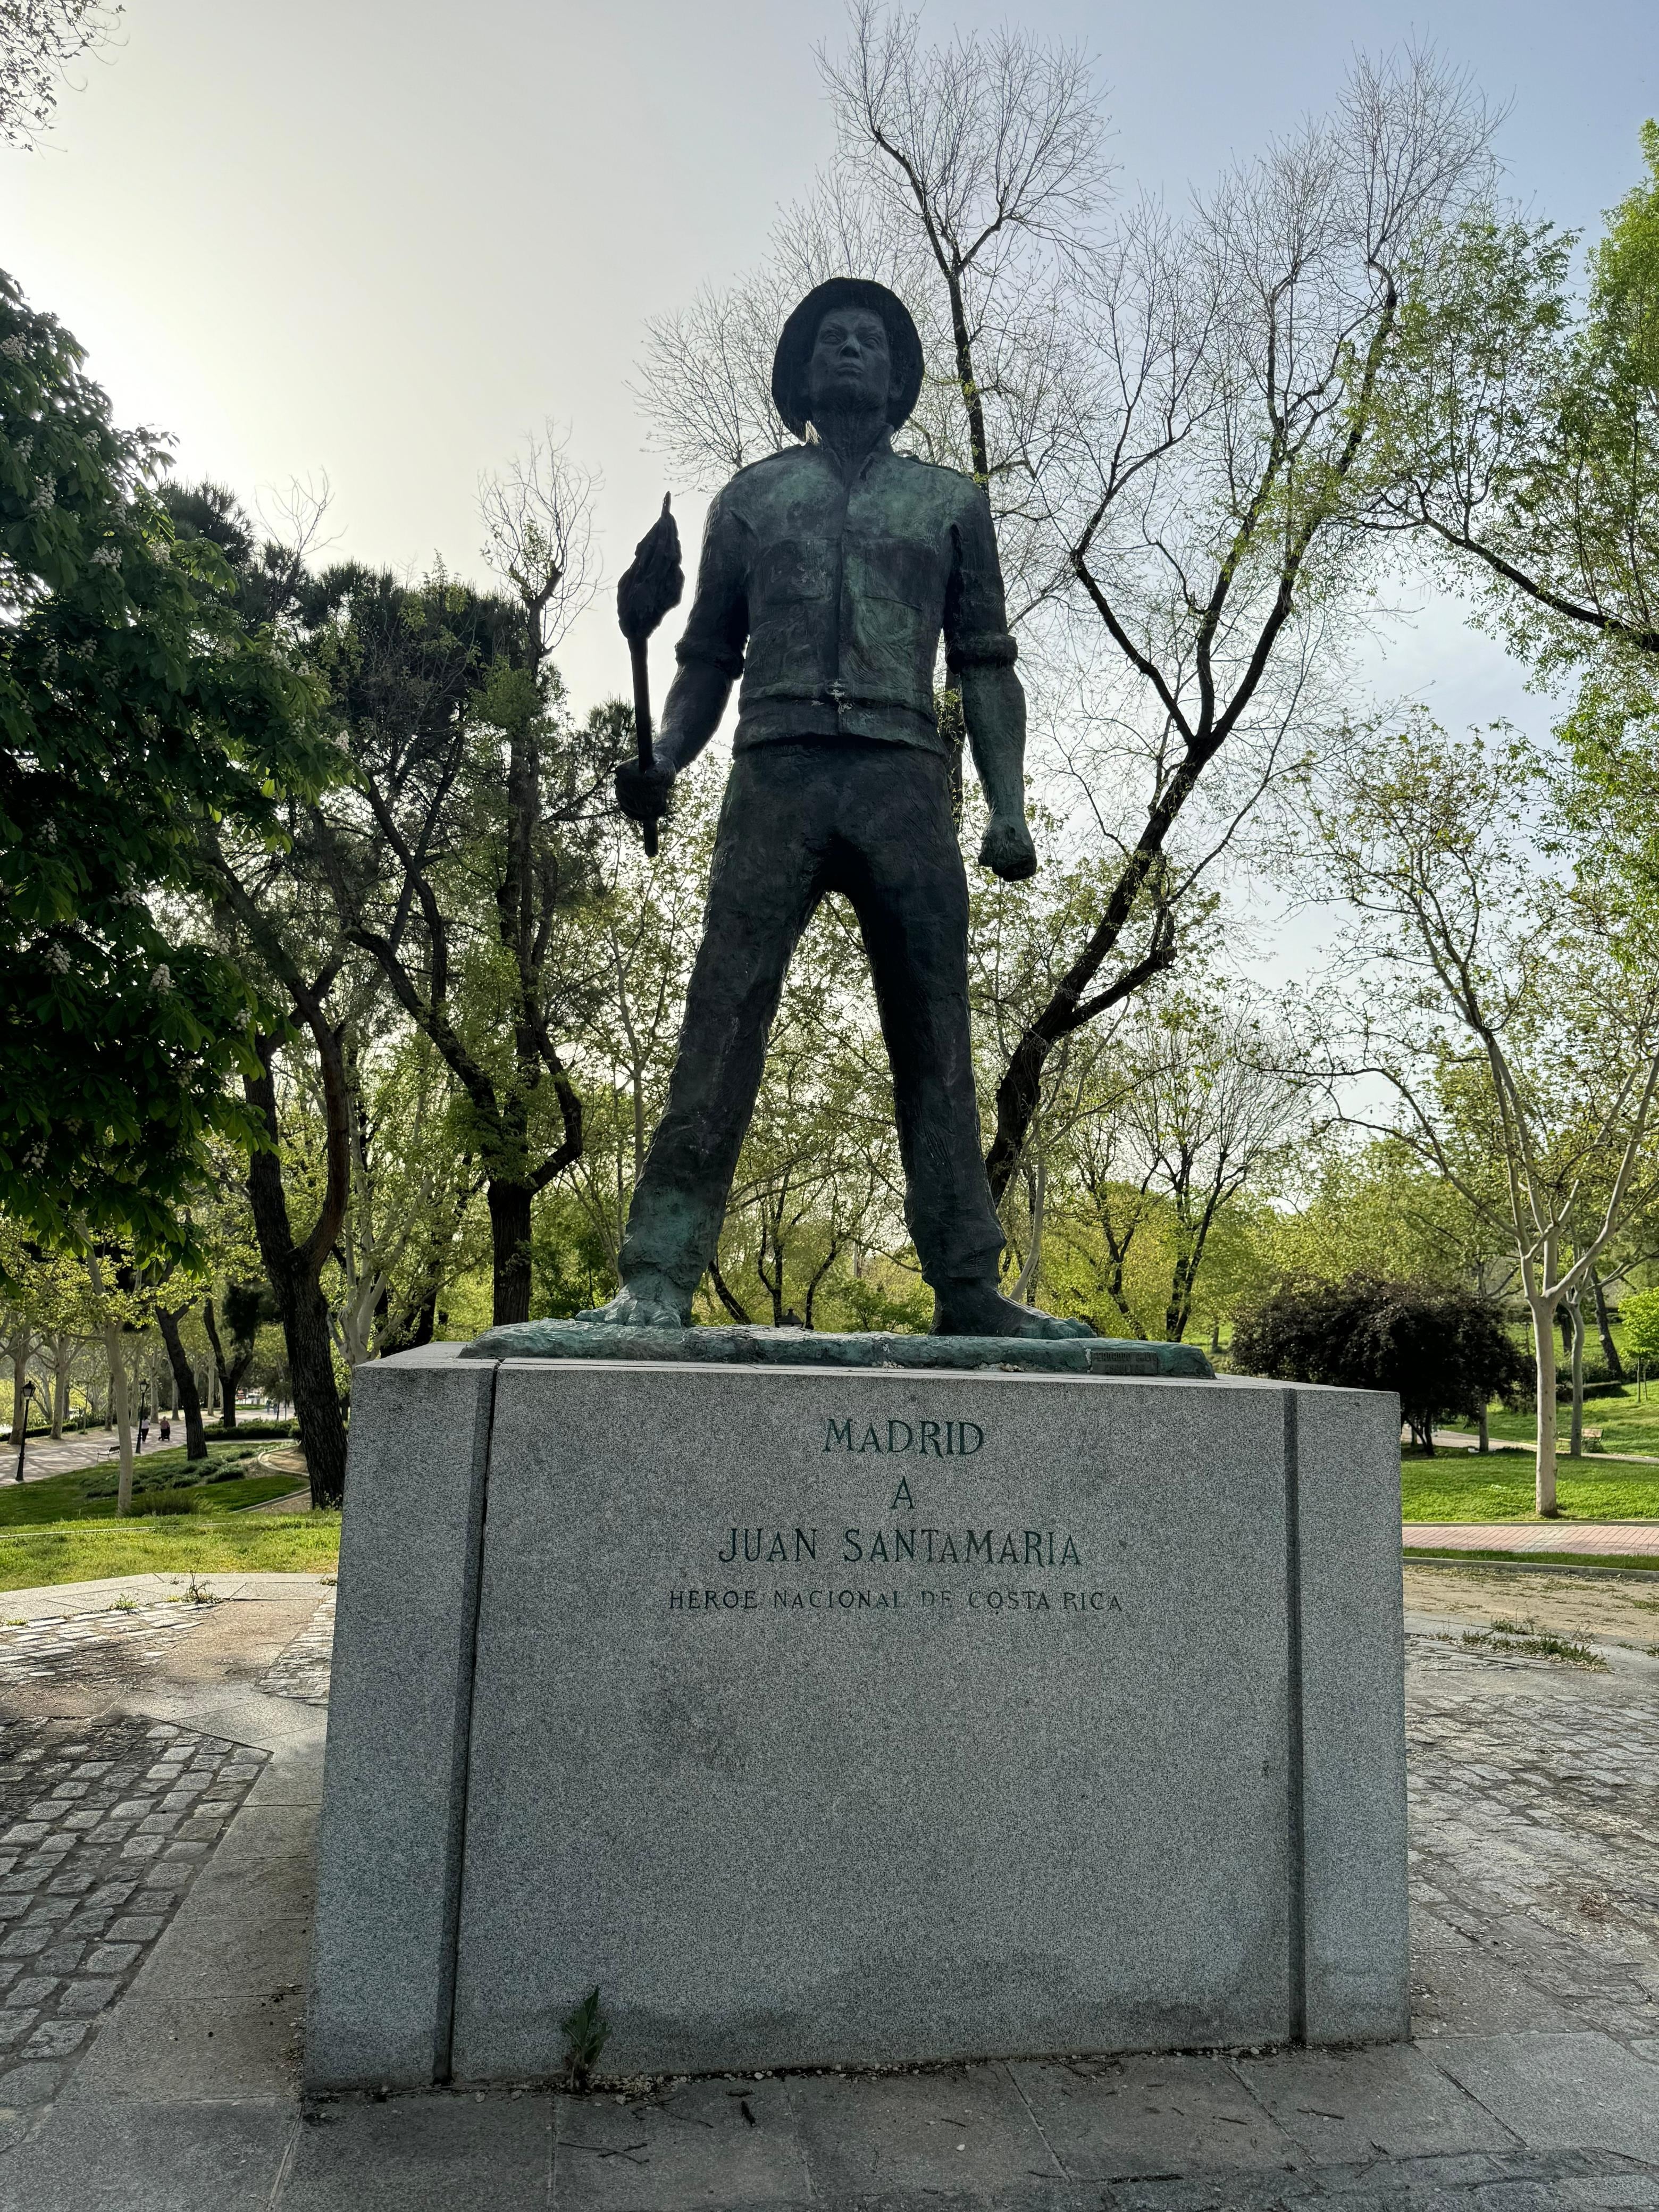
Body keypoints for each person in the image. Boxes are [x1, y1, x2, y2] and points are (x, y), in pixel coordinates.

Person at [584, 277, 1089, 1342]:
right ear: (802, 376)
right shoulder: (752, 500)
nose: (848, 350)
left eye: (868, 341)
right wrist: (668, 756)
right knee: (719, 1020)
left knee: (936, 1037)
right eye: (829, 342)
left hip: (906, 776)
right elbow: (707, 657)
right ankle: (658, 1276)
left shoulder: (950, 505)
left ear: (901, 379)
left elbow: (987, 663)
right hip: (776, 772)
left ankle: (967, 1282)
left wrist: (1008, 806)